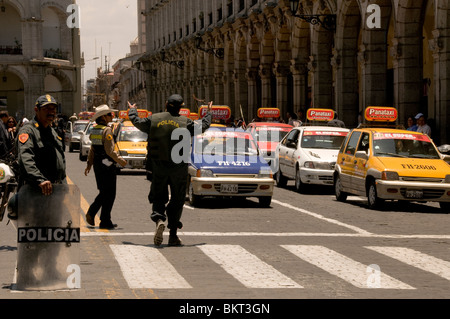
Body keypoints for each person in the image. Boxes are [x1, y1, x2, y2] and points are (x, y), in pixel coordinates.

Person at [128, 94, 212, 246]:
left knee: (159, 196)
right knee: (177, 199)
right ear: (181, 107)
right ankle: (173, 235)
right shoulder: (185, 122)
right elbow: (203, 126)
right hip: (178, 168)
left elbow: (137, 122)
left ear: (166, 104)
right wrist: (209, 113)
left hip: (158, 166)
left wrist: (132, 110)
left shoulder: (154, 119)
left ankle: (159, 219)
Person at [84, 104, 127, 229]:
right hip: (107, 165)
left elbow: (92, 149)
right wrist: (120, 160)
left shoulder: (95, 129)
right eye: (109, 114)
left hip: (98, 165)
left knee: (104, 192)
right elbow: (110, 151)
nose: (111, 116)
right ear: (103, 117)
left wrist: (89, 164)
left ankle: (105, 220)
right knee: (109, 193)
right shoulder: (107, 130)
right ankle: (93, 213)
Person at [16, 95, 66, 197]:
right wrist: (39, 179)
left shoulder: (52, 131)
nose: (51, 112)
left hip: (54, 190)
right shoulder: (28, 131)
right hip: (35, 191)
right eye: (46, 108)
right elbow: (26, 157)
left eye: (53, 108)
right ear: (36, 110)